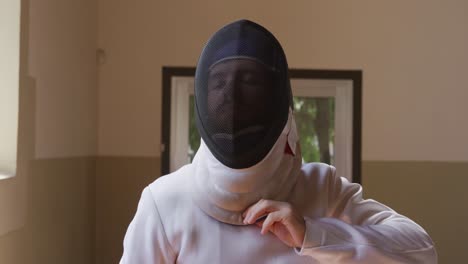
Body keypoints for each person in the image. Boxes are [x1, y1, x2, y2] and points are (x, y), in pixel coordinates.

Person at [120, 19, 437, 263]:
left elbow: (421, 250)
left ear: (276, 98)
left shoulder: (321, 189)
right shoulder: (164, 202)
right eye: (219, 81)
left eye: (249, 80)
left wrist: (313, 234)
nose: (231, 94)